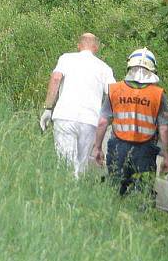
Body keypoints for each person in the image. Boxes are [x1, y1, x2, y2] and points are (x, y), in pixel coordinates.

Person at [93, 48, 168, 195]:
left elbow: (103, 122)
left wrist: (97, 147)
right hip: (145, 151)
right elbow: (164, 129)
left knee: (115, 190)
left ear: (129, 66)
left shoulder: (115, 90)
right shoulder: (158, 94)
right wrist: (167, 157)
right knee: (143, 194)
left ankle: (112, 216)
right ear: (153, 69)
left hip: (118, 148)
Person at [39, 33, 115, 177]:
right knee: (80, 165)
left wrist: (48, 108)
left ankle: (65, 197)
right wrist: (106, 118)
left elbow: (56, 78)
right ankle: (75, 195)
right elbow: (113, 93)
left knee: (66, 163)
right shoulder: (105, 68)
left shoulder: (66, 59)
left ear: (78, 45)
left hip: (65, 116)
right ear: (96, 48)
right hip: (90, 121)